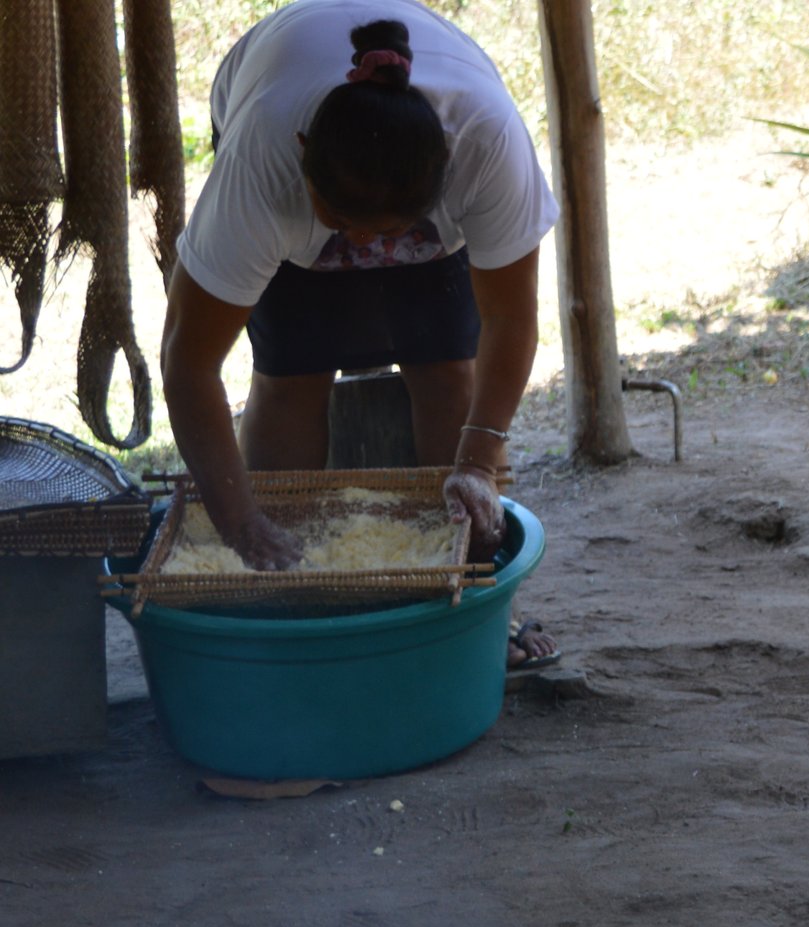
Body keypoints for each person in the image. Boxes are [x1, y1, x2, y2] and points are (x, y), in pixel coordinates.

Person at [159, 0, 560, 671]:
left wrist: (479, 463)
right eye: (345, 226)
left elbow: (511, 319)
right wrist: (238, 519)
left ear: (443, 176)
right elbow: (188, 361)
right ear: (302, 154)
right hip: (271, 106)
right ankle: (285, 596)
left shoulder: (487, 144)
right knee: (291, 376)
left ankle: (471, 597)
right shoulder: (261, 159)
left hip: (413, 176)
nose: (367, 249)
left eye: (389, 234)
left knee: (446, 371)